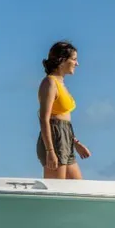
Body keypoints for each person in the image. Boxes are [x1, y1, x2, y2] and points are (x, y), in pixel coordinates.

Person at [36, 41, 91, 179]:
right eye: (74, 59)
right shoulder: (49, 83)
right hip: (54, 139)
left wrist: (75, 143)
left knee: (77, 189)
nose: (76, 64)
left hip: (66, 136)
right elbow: (44, 119)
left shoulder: (61, 83)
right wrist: (50, 151)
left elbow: (63, 119)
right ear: (62, 60)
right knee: (57, 190)